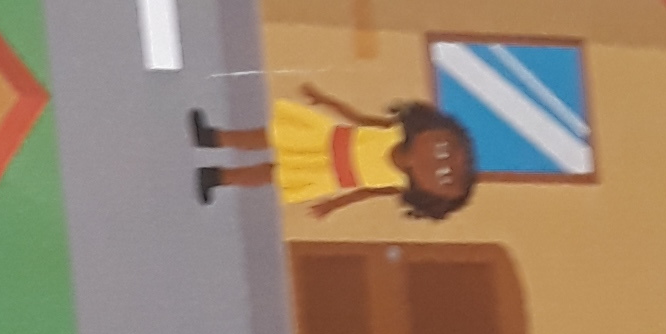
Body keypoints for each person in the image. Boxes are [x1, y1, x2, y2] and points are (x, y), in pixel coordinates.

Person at [192, 88, 478, 218]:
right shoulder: (396, 131)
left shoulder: (399, 183)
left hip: (328, 174)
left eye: (444, 176)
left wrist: (332, 205)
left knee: (273, 174)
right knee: (270, 136)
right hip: (326, 138)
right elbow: (359, 118)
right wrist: (325, 100)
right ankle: (215, 137)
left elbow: (365, 193)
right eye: (444, 148)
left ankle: (219, 177)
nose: (435, 162)